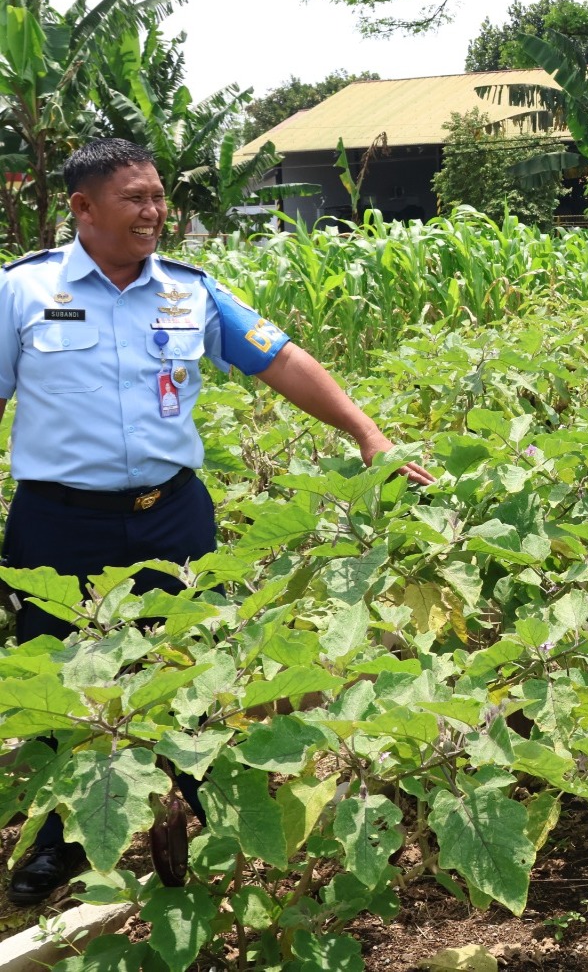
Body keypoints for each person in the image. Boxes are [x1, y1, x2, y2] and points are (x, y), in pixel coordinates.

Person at [0, 138, 434, 905]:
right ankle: (66, 836)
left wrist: (369, 433)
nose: (155, 212)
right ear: (83, 208)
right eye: (136, 198)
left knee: (197, 662)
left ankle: (209, 803)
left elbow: (282, 359)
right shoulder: (22, 293)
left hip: (171, 515)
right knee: (61, 680)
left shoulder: (190, 292)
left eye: (159, 196)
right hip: (58, 523)